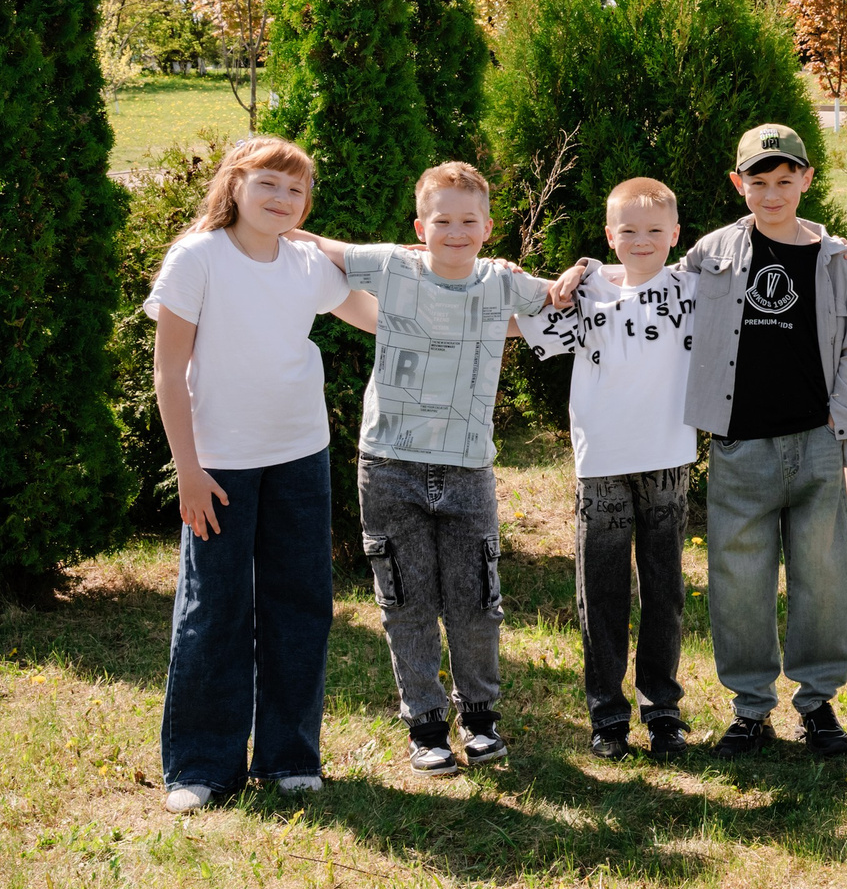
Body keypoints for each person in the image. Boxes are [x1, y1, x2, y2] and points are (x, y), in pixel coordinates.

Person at [298, 162, 566, 776]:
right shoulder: (393, 266)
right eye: (442, 221)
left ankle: (480, 721)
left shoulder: (503, 281)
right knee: (405, 601)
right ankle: (425, 726)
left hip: (469, 470)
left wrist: (581, 270)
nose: (456, 232)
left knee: (476, 603)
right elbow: (315, 246)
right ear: (420, 228)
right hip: (389, 465)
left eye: (469, 221)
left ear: (488, 228)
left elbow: (563, 295)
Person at [145, 138, 364, 812]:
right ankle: (201, 767)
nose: (282, 198)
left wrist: (466, 287)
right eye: (268, 183)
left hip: (301, 455)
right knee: (214, 609)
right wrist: (188, 470)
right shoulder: (197, 258)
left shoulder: (307, 264)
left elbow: (380, 316)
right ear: (234, 185)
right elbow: (168, 372)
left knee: (300, 604)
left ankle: (289, 756)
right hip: (218, 467)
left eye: (296, 190)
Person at [680, 124, 847, 762]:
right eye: (758, 182)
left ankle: (817, 703)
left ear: (806, 180)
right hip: (740, 444)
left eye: (784, 181)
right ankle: (750, 708)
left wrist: (844, 434)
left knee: (822, 578)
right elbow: (650, 288)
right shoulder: (711, 253)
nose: (772, 194)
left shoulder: (835, 259)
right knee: (738, 579)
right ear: (738, 184)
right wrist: (585, 272)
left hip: (816, 442)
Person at [521, 177, 699, 763]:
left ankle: (663, 708)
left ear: (675, 234)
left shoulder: (693, 288)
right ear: (608, 235)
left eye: (654, 230)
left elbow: (753, 250)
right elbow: (524, 310)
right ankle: (608, 715)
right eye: (628, 231)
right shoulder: (583, 291)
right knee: (601, 590)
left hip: (668, 458)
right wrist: (576, 272)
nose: (641, 240)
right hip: (601, 461)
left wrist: (826, 241)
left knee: (664, 589)